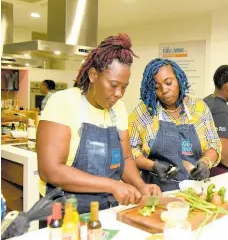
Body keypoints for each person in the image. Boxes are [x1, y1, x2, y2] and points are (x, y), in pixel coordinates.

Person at [37, 34, 161, 214]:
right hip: (64, 212)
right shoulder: (63, 102)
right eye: (113, 84)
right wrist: (111, 185)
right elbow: (50, 170)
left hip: (106, 210)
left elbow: (125, 158)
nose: (119, 93)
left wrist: (140, 185)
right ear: (93, 74)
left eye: (124, 87)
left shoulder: (118, 109)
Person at [129, 58, 222, 191]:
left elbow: (214, 144)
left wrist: (205, 162)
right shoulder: (143, 113)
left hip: (195, 190)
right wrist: (152, 165)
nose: (164, 90)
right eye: (156, 87)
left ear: (178, 80)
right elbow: (130, 153)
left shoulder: (199, 109)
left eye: (168, 83)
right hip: (157, 192)